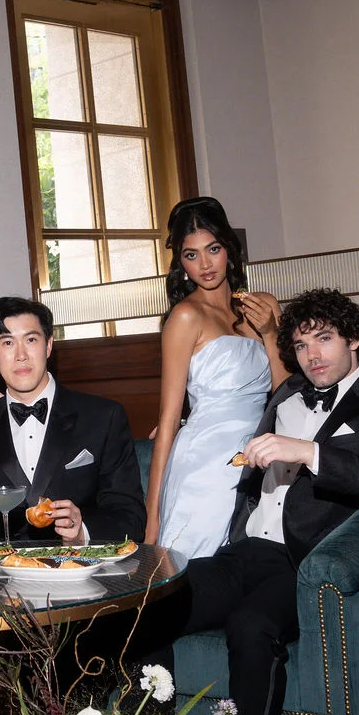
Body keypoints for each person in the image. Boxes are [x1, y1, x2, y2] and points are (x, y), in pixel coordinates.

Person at [179, 288, 359, 715]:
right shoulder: (288, 394)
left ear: (353, 339)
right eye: (300, 344)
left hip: (304, 562)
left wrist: (310, 452)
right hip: (245, 551)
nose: (312, 354)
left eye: (324, 338)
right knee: (154, 601)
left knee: (251, 626)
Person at [145, 197, 287, 558]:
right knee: (193, 568)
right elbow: (168, 420)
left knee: (253, 567)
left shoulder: (263, 306)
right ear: (180, 262)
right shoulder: (185, 317)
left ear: (229, 249)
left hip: (259, 457)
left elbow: (285, 395)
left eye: (213, 249)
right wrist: (152, 519)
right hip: (204, 466)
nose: (205, 265)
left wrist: (270, 333)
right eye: (191, 255)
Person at [0, 295, 146, 546]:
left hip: (82, 566)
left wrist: (82, 531)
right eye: (7, 342)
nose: (21, 355)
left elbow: (131, 517)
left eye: (31, 340)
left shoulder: (103, 417)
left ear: (49, 345)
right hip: (1, 568)